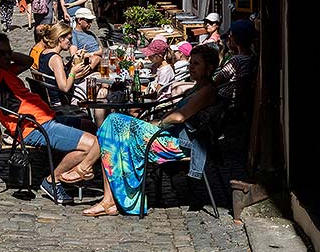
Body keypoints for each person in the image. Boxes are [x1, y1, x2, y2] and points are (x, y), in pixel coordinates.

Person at [87, 44, 220, 216]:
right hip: (170, 136)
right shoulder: (198, 87)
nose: (191, 67)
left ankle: (91, 175)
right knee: (112, 132)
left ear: (209, 68)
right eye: (191, 63)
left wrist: (157, 124)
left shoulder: (207, 90)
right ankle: (109, 199)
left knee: (113, 121)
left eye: (196, 64)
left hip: (178, 144)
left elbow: (179, 117)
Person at [0, 33, 101, 204]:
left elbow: (27, 62)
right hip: (33, 127)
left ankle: (69, 171)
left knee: (90, 125)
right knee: (94, 145)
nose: (7, 57)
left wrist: (7, 54)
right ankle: (54, 180)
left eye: (9, 52)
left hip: (48, 118)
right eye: (2, 53)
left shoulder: (5, 70)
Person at [38, 22, 91, 106]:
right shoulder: (56, 59)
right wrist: (73, 71)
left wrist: (74, 57)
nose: (71, 42)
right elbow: (64, 88)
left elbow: (58, 72)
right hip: (59, 102)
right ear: (61, 39)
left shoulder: (44, 53)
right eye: (69, 39)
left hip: (50, 99)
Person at [214, 19, 258, 108]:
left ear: (235, 38)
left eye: (231, 35)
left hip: (224, 100)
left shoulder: (236, 60)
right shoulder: (252, 57)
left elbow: (217, 80)